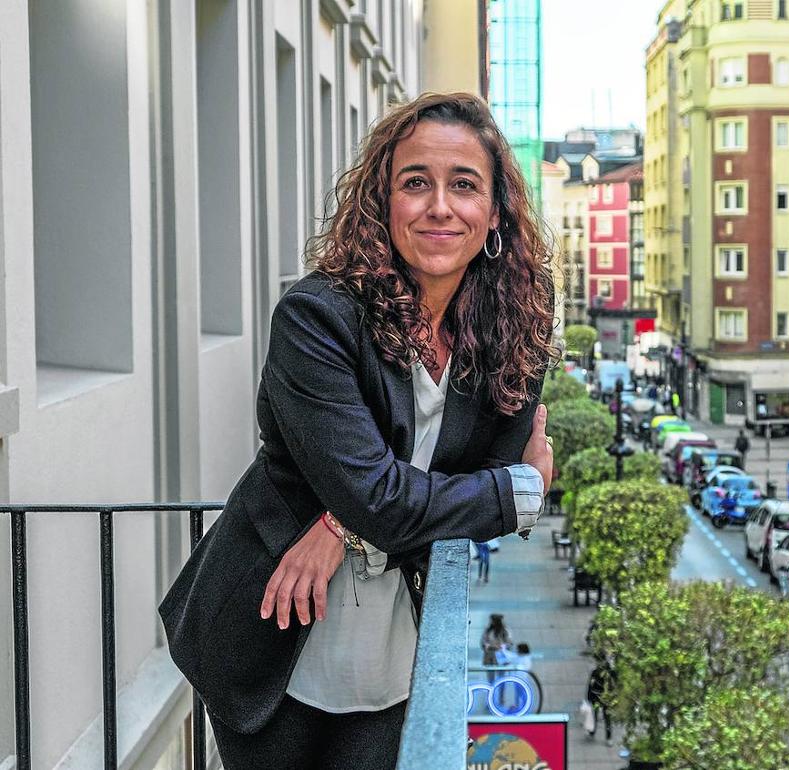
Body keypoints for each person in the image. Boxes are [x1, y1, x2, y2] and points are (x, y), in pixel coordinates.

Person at [158, 93, 557, 769]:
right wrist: (520, 488)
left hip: (393, 657)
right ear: (383, 202)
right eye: (415, 183)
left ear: (494, 214)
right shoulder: (317, 317)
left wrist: (342, 525)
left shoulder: (516, 328)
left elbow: (395, 492)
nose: (439, 205)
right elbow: (389, 492)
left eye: (464, 185)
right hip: (269, 641)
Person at [586, 658, 616, 741]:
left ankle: (595, 731)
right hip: (602, 698)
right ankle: (607, 736)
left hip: (600, 698)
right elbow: (590, 685)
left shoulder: (597, 672)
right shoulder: (598, 672)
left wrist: (588, 696)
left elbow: (590, 685)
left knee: (602, 716)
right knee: (605, 717)